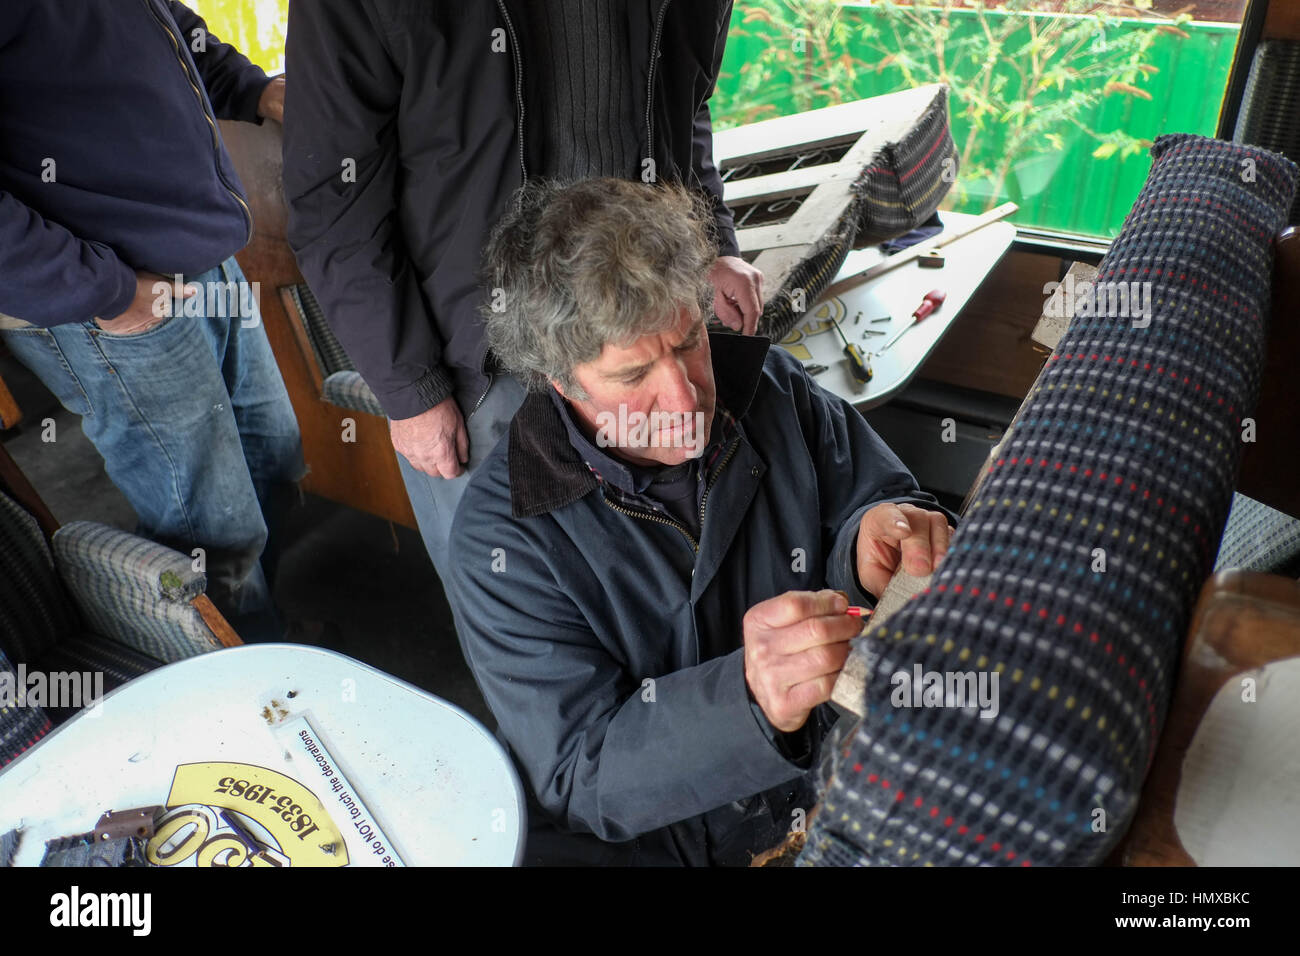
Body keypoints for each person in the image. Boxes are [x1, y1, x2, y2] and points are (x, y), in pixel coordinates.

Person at [448, 177, 958, 865]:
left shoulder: (773, 389)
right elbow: (581, 771)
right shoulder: (502, 540)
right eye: (633, 378)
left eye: (690, 341)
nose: (686, 396)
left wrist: (873, 542)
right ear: (560, 381)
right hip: (671, 844)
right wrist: (745, 702)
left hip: (838, 781)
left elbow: (880, 498)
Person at [282, 0, 762, 590]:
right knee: (521, 603)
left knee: (683, 576)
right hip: (481, 360)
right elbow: (335, 194)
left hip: (648, 322)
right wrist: (409, 387)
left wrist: (712, 242)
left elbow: (687, 103)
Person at [0, 1, 303, 640]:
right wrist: (105, 289)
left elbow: (164, 27)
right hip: (113, 293)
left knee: (272, 452)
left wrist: (253, 88)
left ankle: (259, 639)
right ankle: (249, 690)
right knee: (211, 529)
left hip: (199, 251)